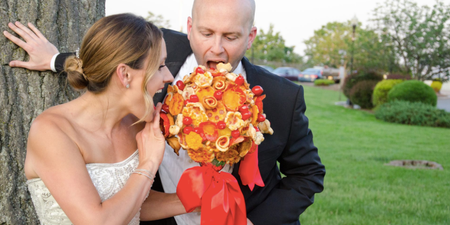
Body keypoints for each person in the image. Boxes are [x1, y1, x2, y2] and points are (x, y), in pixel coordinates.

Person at [4, 0, 326, 224]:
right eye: (206, 32)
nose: (216, 48)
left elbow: (307, 174)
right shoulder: (154, 57)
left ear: (250, 36)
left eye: (230, 36)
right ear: (189, 27)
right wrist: (54, 60)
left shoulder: (284, 96)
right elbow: (110, 56)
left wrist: (229, 209)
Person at [3, 13, 195, 224]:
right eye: (159, 66)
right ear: (125, 75)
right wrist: (149, 163)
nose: (168, 76)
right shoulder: (52, 132)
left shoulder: (136, 127)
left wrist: (196, 198)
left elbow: (132, 204)